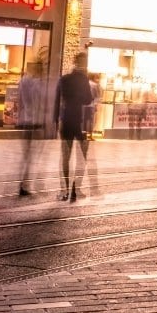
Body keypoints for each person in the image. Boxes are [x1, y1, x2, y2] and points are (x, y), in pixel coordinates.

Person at [54, 53, 95, 202]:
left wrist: (55, 121)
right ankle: (75, 189)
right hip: (78, 122)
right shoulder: (83, 79)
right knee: (81, 157)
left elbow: (57, 100)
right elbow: (88, 99)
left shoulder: (64, 79)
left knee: (65, 156)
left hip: (65, 120)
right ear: (80, 63)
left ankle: (64, 190)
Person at [16, 62, 46, 196]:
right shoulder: (36, 83)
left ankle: (23, 182)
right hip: (34, 122)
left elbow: (20, 101)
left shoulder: (22, 81)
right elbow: (38, 103)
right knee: (34, 154)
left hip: (24, 120)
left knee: (26, 155)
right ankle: (26, 183)